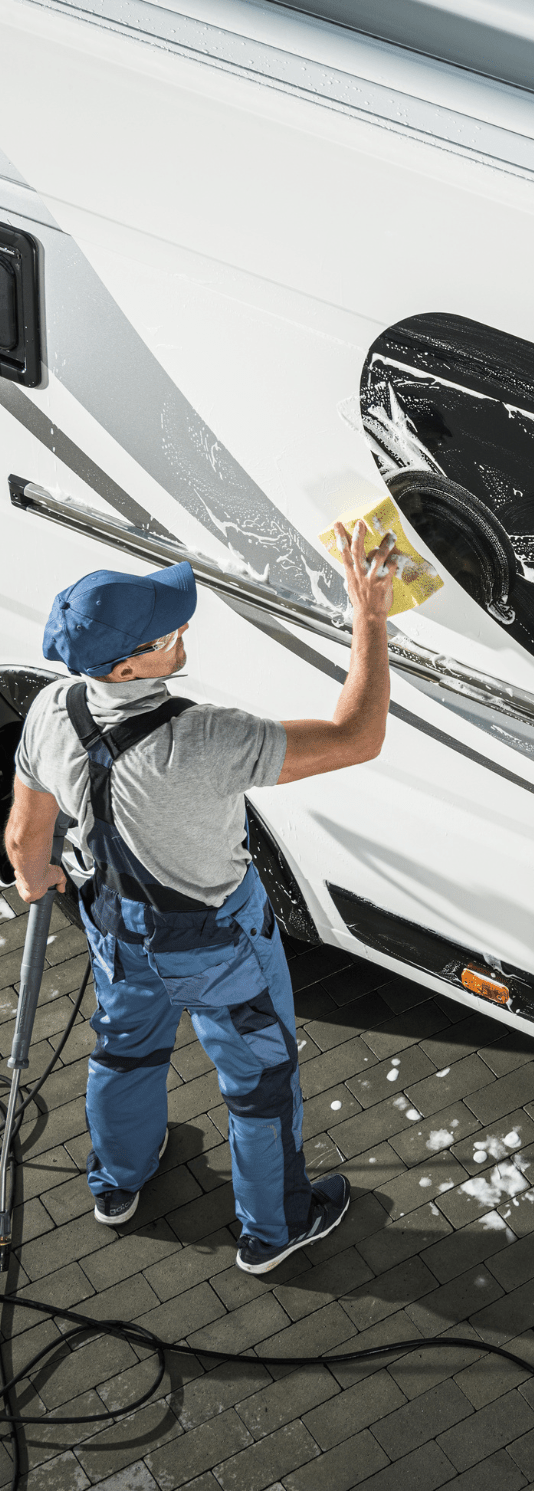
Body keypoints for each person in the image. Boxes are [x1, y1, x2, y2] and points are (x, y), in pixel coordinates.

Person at [3, 520, 397, 1274]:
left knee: (124, 1052)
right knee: (256, 1084)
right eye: (164, 630)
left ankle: (117, 1183)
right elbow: (357, 736)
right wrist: (370, 618)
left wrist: (35, 878)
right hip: (220, 947)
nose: (179, 625)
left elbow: (26, 839)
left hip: (116, 930)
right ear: (126, 667)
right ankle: (273, 1229)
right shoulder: (206, 738)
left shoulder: (52, 711)